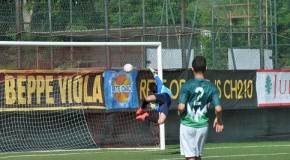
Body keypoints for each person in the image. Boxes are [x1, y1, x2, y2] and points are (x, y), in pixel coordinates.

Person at [177, 56, 224, 160]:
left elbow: (181, 107)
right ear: (206, 68)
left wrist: (180, 112)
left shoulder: (187, 85)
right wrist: (219, 119)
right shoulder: (212, 87)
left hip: (187, 124)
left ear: (192, 68)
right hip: (203, 125)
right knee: (197, 156)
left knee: (190, 157)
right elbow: (218, 109)